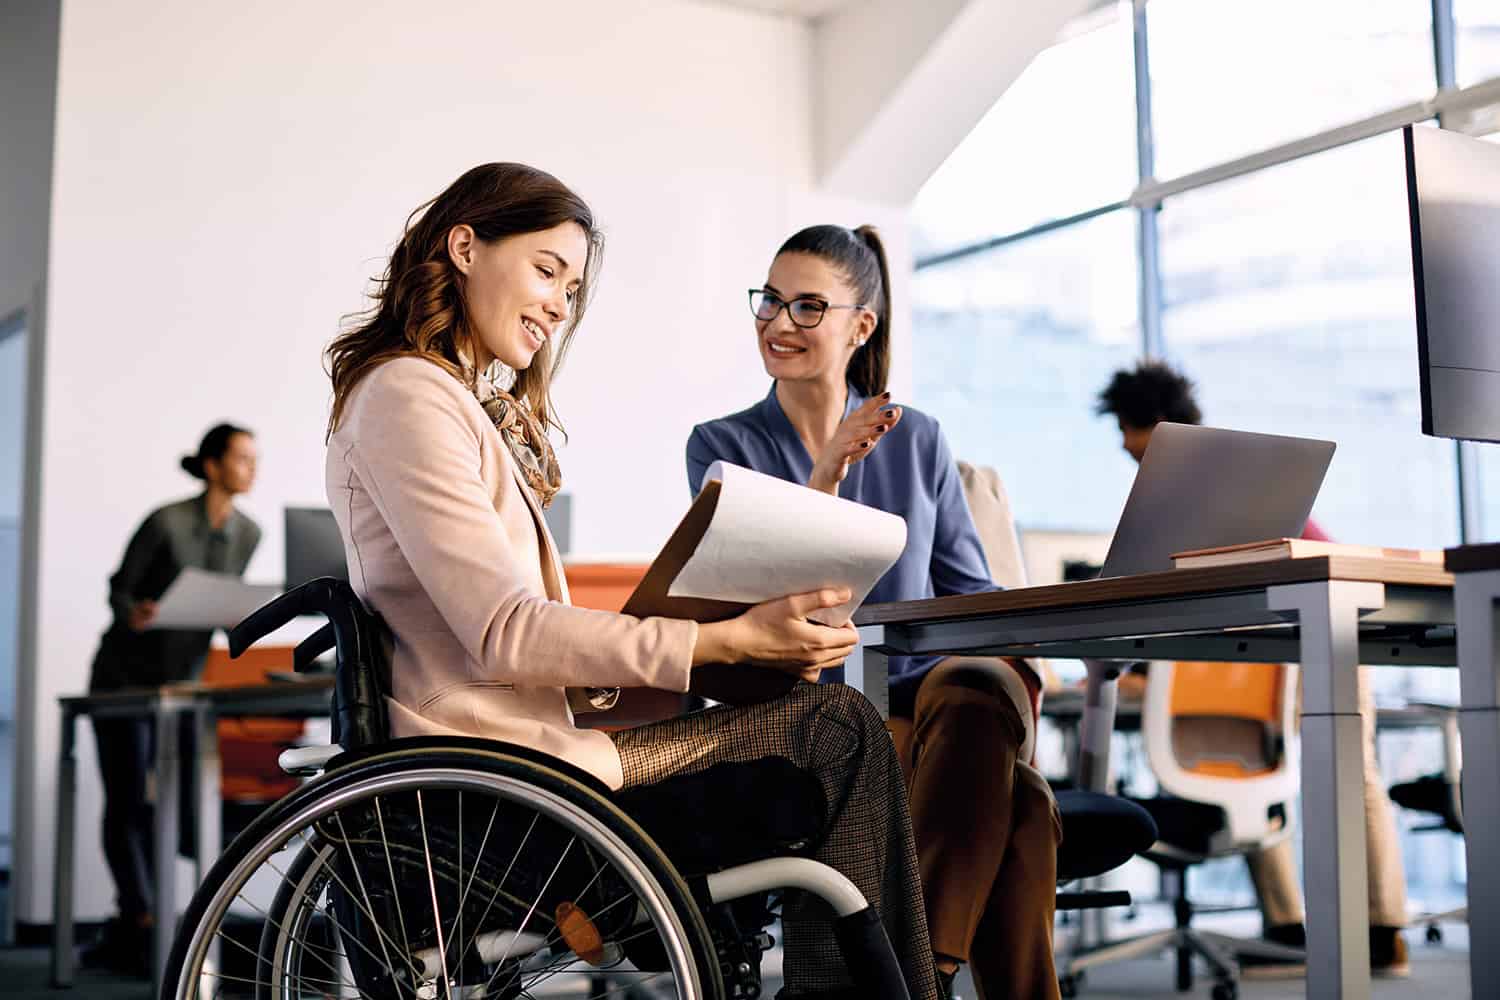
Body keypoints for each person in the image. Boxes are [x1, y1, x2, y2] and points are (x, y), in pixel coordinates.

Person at [321, 164, 938, 1000]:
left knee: (829, 725)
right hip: (497, 787)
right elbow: (506, 632)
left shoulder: (443, 399)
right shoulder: (408, 396)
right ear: (464, 248)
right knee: (837, 729)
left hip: (526, 760)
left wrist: (726, 652)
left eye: (571, 289)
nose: (557, 306)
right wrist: (720, 640)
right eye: (546, 271)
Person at [686, 224, 1061, 1000]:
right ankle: (922, 980)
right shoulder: (721, 448)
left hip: (933, 704)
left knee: (973, 692)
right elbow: (754, 614)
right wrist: (823, 479)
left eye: (807, 306)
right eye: (770, 301)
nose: (779, 322)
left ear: (862, 325)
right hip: (814, 709)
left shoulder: (917, 438)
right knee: (1021, 805)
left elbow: (971, 590)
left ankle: (917, 980)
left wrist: (1026, 649)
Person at [1096, 359, 1410, 977]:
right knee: (1261, 767)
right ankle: (1294, 924)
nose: (1130, 460)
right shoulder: (1218, 484)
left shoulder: (1211, 486)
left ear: (1157, 430)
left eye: (1134, 446)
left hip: (1333, 618)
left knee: (1352, 771)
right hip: (1275, 643)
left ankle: (1381, 930)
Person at [83, 423, 262, 976]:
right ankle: (136, 913)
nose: (252, 469)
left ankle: (175, 914)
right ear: (211, 465)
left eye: (256, 460)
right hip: (124, 678)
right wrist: (132, 610)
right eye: (241, 459)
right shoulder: (166, 522)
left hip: (184, 682)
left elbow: (218, 599)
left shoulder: (247, 532)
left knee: (181, 799)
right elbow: (120, 586)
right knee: (130, 795)